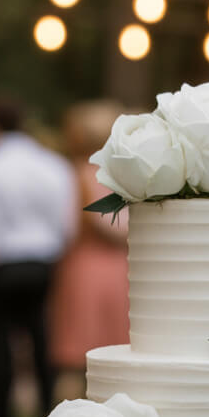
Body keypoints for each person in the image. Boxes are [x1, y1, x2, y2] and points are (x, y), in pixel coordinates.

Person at [0, 100, 77, 417]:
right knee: (42, 342)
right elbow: (67, 222)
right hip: (43, 259)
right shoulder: (52, 164)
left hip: (2, 262)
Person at [50, 101, 129, 385]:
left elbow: (69, 226)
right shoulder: (122, 175)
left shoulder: (79, 174)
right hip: (119, 268)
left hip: (85, 267)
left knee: (79, 352)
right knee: (112, 350)